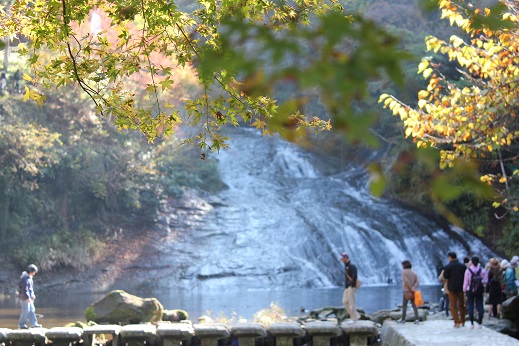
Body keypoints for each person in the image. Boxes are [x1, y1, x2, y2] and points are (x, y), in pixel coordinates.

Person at [443, 251, 467, 328]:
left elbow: (445, 277)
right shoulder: (463, 266)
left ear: (450, 257)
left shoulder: (447, 267)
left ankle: (457, 322)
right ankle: (463, 320)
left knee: (453, 305)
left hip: (452, 288)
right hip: (461, 287)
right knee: (462, 304)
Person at [463, 256, 487, 329]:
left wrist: (464, 290)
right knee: (480, 305)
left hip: (470, 290)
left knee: (470, 306)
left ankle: (472, 323)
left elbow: (466, 282)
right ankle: (479, 323)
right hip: (479, 289)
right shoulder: (482, 270)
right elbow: (486, 280)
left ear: (472, 262)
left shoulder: (468, 270)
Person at [18, 264, 42, 329]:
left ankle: (33, 323)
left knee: (32, 310)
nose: (34, 273)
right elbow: (24, 289)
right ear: (31, 271)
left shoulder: (29, 278)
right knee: (25, 311)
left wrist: (32, 295)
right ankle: (22, 325)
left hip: (29, 298)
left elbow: (30, 288)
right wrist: (27, 298)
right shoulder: (24, 278)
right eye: (34, 272)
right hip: (24, 298)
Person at [340, 253, 360, 323]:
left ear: (346, 258)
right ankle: (356, 315)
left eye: (342, 259)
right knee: (344, 301)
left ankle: (354, 318)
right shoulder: (346, 267)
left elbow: (354, 277)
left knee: (352, 303)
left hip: (351, 287)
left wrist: (351, 285)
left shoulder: (352, 266)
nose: (341, 260)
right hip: (347, 287)